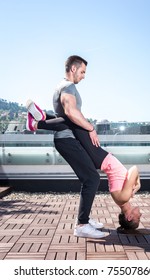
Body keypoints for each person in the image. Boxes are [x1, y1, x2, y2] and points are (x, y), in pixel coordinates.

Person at [26, 102, 142, 230]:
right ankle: (42, 116)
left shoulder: (123, 198)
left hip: (100, 158)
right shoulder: (123, 199)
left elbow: (134, 169)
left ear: (129, 217)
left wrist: (137, 185)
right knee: (74, 122)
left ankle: (36, 124)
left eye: (138, 217)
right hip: (100, 157)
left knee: (75, 121)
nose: (140, 214)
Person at [26, 55, 107, 239]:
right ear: (73, 69)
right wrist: (91, 128)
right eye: (83, 71)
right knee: (92, 179)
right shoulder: (68, 87)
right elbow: (71, 113)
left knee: (89, 178)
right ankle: (82, 225)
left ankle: (84, 218)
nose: (84, 76)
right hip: (67, 140)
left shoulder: (61, 86)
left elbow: (65, 116)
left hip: (67, 139)